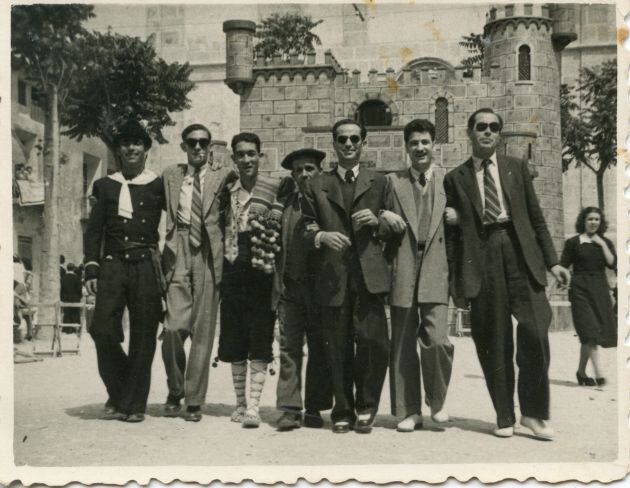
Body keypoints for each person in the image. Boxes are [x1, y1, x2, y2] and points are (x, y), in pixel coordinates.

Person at [443, 108, 571, 440]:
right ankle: (504, 415)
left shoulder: (516, 168)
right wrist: (457, 281)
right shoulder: (454, 178)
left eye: (494, 127)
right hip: (482, 257)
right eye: (481, 127)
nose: (488, 132)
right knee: (492, 339)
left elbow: (537, 218)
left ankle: (533, 414)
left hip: (520, 254)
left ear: (500, 134)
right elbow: (454, 239)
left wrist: (553, 261)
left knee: (536, 332)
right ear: (469, 132)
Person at [301, 118, 394, 434]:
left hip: (369, 275)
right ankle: (342, 409)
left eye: (355, 138)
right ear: (334, 145)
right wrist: (321, 237)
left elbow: (396, 230)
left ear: (364, 142)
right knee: (336, 344)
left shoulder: (380, 183)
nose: (349, 144)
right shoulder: (317, 184)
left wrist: (379, 219)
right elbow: (304, 227)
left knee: (372, 341)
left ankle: (367, 406)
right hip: (333, 275)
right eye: (342, 139)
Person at [84, 120, 165, 423]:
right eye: (125, 143)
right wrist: (91, 268)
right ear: (118, 150)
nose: (131, 147)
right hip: (113, 264)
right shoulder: (105, 186)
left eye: (137, 143)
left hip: (146, 263)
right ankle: (120, 390)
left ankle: (133, 404)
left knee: (144, 335)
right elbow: (94, 231)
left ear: (146, 150)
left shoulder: (157, 184)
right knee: (101, 328)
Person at [379, 119, 453, 432]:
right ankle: (409, 411)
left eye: (425, 142)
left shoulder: (450, 181)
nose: (420, 148)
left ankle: (436, 401)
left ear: (434, 144)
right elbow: (376, 217)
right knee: (403, 343)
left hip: (437, 268)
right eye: (414, 144)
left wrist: (459, 216)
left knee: (437, 340)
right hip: (404, 266)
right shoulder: (393, 183)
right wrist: (385, 215)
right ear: (406, 147)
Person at [160, 123, 237, 422]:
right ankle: (175, 388)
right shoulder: (170, 175)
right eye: (191, 143)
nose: (197, 148)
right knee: (172, 329)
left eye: (203, 143)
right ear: (183, 147)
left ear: (210, 147)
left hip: (208, 251)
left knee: (203, 332)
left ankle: (193, 400)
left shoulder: (224, 175)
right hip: (179, 246)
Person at [218, 132, 282, 428]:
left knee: (260, 337)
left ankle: (254, 407)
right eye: (240, 154)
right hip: (232, 270)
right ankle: (240, 404)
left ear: (260, 156)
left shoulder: (274, 187)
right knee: (234, 338)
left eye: (251, 154)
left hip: (262, 271)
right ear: (234, 158)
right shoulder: (226, 191)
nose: (246, 159)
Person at [273, 148, 332, 431]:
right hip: (291, 288)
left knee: (320, 348)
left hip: (320, 289)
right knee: (289, 347)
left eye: (310, 168)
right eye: (298, 170)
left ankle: (315, 408)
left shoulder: (328, 201)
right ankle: (288, 408)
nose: (304, 174)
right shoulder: (285, 203)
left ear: (319, 170)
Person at [560, 207, 616, 387]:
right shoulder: (573, 242)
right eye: (590, 219)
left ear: (601, 222)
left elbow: (612, 263)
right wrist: (560, 282)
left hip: (599, 290)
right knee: (589, 330)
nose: (593, 222)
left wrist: (601, 244)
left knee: (590, 334)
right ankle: (600, 375)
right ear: (583, 221)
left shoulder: (605, 242)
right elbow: (563, 265)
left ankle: (581, 373)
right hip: (579, 289)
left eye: (597, 220)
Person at [60, 263, 83, 332]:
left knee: (66, 313)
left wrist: (62, 298)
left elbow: (62, 289)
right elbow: (79, 289)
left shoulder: (63, 278)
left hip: (66, 298)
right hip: (75, 298)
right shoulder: (77, 278)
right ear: (73, 269)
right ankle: (74, 329)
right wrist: (80, 296)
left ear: (67, 268)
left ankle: (66, 329)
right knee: (75, 313)